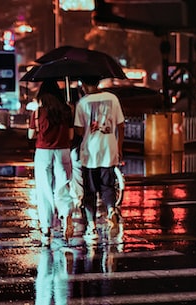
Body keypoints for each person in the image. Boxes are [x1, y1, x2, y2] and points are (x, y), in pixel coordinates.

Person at [74, 76, 125, 241]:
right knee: (107, 186)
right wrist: (119, 147)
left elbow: (80, 132)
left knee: (90, 191)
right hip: (109, 150)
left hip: (90, 152)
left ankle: (92, 227)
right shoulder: (112, 98)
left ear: (83, 84)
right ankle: (111, 211)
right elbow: (121, 125)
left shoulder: (82, 103)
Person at [27, 79, 74, 246]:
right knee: (63, 186)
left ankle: (46, 229)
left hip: (43, 152)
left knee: (44, 190)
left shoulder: (38, 112)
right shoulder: (66, 110)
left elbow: (30, 135)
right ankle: (66, 213)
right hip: (63, 151)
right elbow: (71, 136)